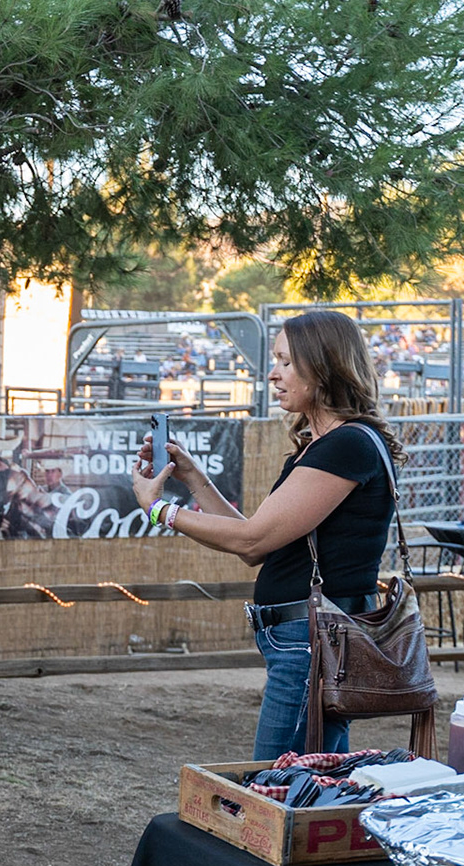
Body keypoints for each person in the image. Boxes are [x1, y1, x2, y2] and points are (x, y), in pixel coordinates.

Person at [130, 310, 402, 760]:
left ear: (325, 367)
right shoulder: (326, 445)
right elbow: (256, 546)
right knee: (312, 780)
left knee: (273, 782)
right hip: (307, 639)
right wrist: (194, 479)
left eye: (287, 362)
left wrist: (158, 510)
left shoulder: (346, 445)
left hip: (310, 644)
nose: (273, 374)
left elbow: (251, 540)